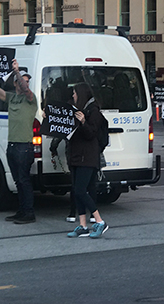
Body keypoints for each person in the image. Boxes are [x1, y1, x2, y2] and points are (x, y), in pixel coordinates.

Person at [0, 59, 38, 224]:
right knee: (18, 181)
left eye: (27, 81)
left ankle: (29, 212)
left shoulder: (30, 100)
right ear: (15, 84)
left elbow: (26, 90)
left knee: (24, 180)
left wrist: (17, 72)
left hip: (24, 147)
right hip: (12, 145)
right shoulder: (12, 98)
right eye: (22, 81)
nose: (24, 83)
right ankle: (21, 210)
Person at [66, 83, 108, 238]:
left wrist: (84, 122)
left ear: (81, 94)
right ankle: (82, 225)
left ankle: (99, 221)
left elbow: (91, 134)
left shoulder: (93, 111)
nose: (73, 96)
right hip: (76, 155)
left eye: (75, 93)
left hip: (88, 157)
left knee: (81, 190)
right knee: (77, 192)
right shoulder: (76, 110)